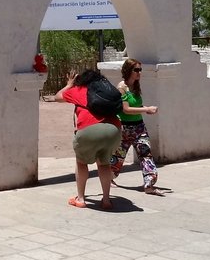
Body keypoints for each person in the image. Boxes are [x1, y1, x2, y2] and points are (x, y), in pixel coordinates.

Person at [54, 68, 121, 210]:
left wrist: (69, 84)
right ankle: (106, 200)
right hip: (114, 130)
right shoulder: (106, 92)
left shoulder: (80, 90)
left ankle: (81, 199)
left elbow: (57, 96)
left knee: (81, 162)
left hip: (89, 130)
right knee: (104, 164)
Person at [110, 58, 160, 194]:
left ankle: (149, 184)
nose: (139, 73)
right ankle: (108, 177)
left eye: (140, 70)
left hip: (139, 127)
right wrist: (146, 109)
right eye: (136, 70)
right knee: (118, 157)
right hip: (124, 128)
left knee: (146, 154)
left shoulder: (136, 86)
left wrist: (146, 109)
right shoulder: (122, 87)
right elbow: (125, 109)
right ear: (128, 71)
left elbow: (136, 106)